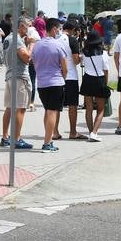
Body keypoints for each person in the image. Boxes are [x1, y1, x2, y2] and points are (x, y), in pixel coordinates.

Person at [31, 17, 70, 152]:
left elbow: (34, 64)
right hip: (55, 82)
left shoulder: (37, 45)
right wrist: (63, 79)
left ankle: (49, 139)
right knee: (52, 112)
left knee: (47, 111)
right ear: (54, 29)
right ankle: (47, 143)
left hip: (42, 83)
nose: (58, 31)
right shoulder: (58, 45)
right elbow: (65, 67)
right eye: (58, 29)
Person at [0, 20, 34, 148]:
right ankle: (17, 139)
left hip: (9, 75)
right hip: (19, 77)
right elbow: (26, 58)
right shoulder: (17, 39)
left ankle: (5, 137)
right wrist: (31, 45)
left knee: (9, 108)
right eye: (27, 27)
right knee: (21, 108)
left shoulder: (8, 38)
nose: (29, 29)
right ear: (21, 27)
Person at [63, 19, 84, 139]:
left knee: (56, 106)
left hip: (58, 76)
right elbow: (75, 60)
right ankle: (72, 131)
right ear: (73, 30)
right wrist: (80, 58)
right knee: (72, 106)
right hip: (71, 76)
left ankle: (54, 131)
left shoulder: (56, 38)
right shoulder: (72, 40)